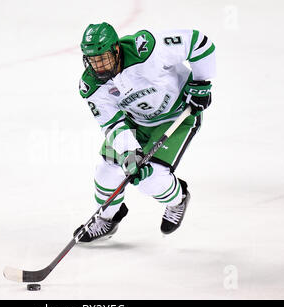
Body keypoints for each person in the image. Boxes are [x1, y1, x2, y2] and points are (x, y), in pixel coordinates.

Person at [74, 22, 216, 242]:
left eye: (103, 59)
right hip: (136, 122)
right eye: (93, 61)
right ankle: (107, 218)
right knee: (107, 171)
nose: (99, 67)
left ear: (117, 49)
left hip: (177, 116)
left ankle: (178, 199)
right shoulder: (91, 86)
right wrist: (129, 152)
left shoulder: (146, 49)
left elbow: (199, 43)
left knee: (150, 179)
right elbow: (112, 124)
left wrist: (201, 83)